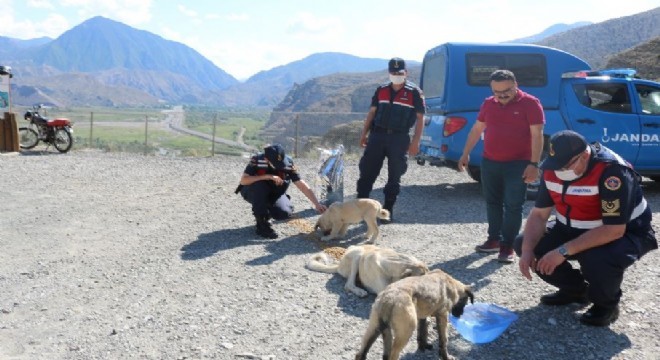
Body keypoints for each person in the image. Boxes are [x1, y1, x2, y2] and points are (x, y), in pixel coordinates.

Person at [516, 130, 657, 327]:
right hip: (572, 225)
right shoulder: (552, 168)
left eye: (565, 166)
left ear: (583, 156)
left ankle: (606, 305)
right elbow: (539, 215)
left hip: (626, 232)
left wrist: (562, 251)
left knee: (596, 258)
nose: (559, 172)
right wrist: (527, 251)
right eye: (556, 166)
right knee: (525, 243)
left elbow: (613, 230)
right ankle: (576, 291)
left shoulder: (612, 172)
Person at [458, 69, 544, 263]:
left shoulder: (530, 103)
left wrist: (533, 164)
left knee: (513, 205)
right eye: (497, 92)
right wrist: (465, 153)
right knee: (492, 202)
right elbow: (477, 129)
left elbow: (537, 135)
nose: (502, 95)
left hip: (518, 164)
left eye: (507, 90)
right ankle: (494, 239)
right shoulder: (489, 104)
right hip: (490, 162)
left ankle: (508, 246)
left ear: (516, 85)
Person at [355, 57, 425, 223]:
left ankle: (387, 210)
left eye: (400, 73)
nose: (397, 75)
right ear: (389, 73)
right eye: (393, 73)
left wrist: (415, 142)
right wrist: (364, 134)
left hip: (399, 138)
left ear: (406, 72)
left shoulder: (414, 92)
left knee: (395, 175)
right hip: (377, 135)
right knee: (367, 172)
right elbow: (372, 113)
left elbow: (420, 118)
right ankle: (360, 208)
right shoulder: (381, 90)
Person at [236, 144, 327, 239]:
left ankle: (272, 206)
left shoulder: (288, 163)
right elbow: (243, 180)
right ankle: (261, 223)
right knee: (260, 185)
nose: (280, 166)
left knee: (283, 214)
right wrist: (268, 176)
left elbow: (301, 184)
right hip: (253, 192)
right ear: (267, 159)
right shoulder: (257, 160)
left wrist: (317, 203)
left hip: (274, 193)